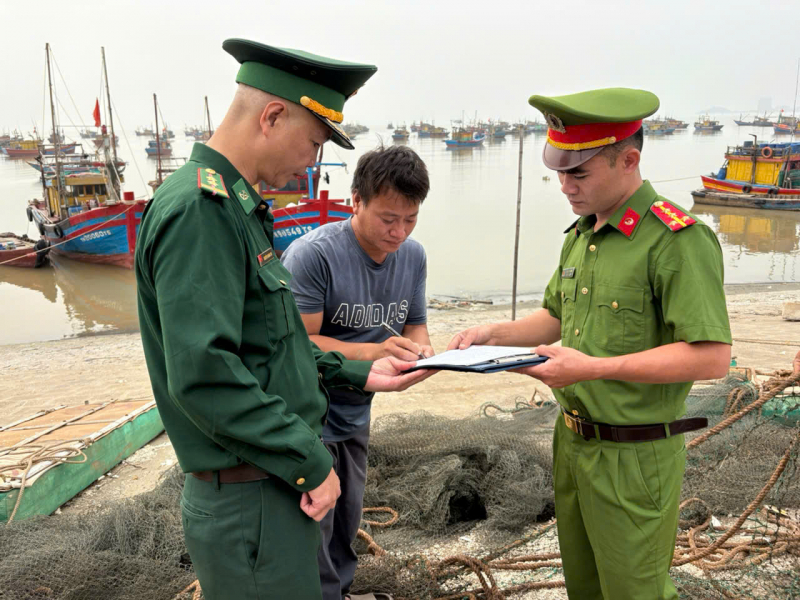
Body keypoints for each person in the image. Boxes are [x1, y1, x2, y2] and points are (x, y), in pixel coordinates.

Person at [135, 39, 434, 600]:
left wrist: (357, 374)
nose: (312, 161)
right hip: (253, 498)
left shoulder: (236, 206)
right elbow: (206, 374)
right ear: (273, 116)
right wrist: (310, 461)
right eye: (315, 141)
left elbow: (272, 347)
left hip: (271, 486)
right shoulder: (202, 210)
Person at [448, 88, 732, 600]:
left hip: (635, 453)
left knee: (635, 592)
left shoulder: (676, 239)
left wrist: (593, 368)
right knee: (586, 588)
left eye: (578, 173)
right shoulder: (582, 234)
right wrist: (493, 334)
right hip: (574, 444)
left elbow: (712, 356)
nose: (564, 186)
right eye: (560, 172)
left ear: (629, 159)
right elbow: (557, 317)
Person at [281, 144, 432, 600]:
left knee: (348, 515)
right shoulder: (313, 255)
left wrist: (424, 353)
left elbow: (417, 327)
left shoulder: (413, 256)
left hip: (357, 409)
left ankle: (341, 593)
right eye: (388, 218)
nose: (399, 232)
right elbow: (296, 344)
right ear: (356, 201)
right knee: (313, 523)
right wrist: (373, 351)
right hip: (308, 414)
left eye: (410, 220)